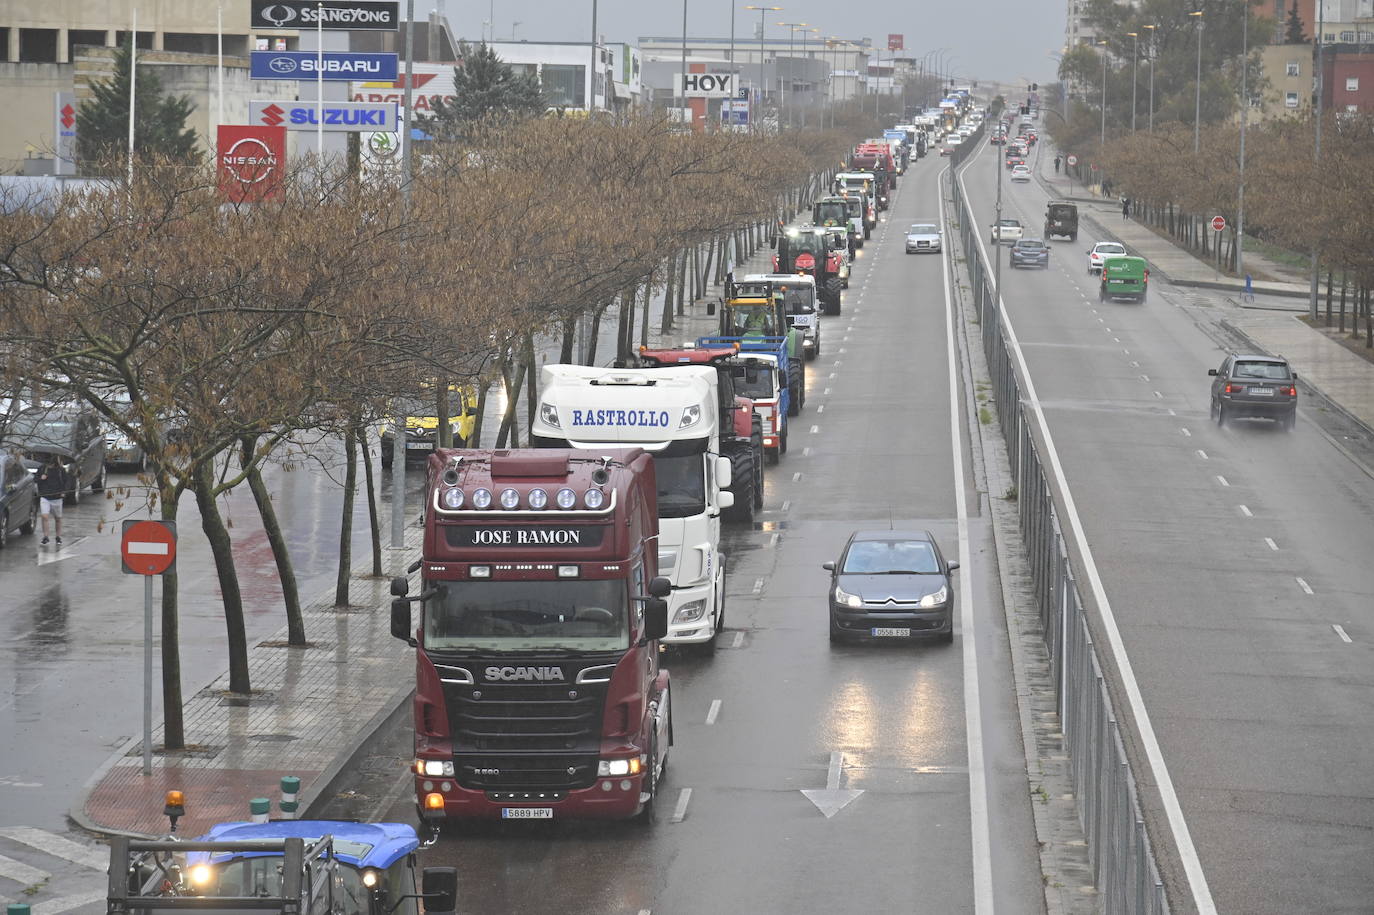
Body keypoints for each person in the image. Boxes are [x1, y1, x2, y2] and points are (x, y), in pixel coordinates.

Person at [36, 454, 67, 545]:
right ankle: (46, 536)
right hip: (45, 497)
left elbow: (66, 482)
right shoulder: (42, 469)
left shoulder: (61, 470)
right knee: (44, 516)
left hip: (57, 498)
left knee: (58, 518)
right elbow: (35, 479)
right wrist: (41, 478)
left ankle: (58, 536)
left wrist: (63, 492)